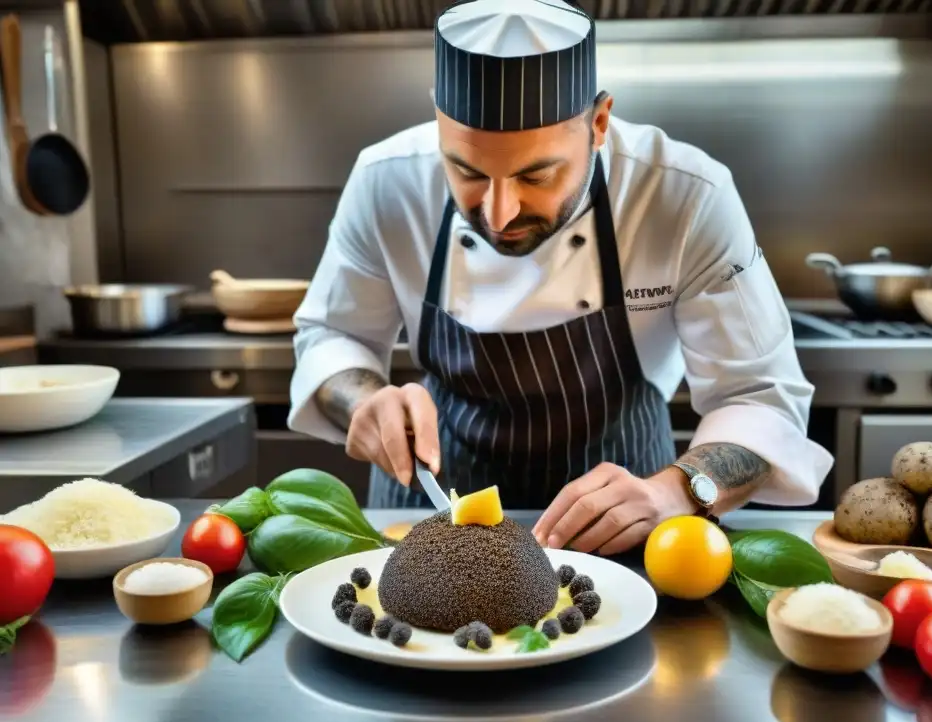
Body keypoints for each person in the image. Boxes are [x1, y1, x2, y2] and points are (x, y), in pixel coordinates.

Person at [288, 0, 833, 554]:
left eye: (537, 174)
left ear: (598, 124)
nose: (498, 214)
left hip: (625, 528)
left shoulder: (686, 195)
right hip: (431, 517)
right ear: (437, 119)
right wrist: (363, 401)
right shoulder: (387, 182)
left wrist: (676, 492)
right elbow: (333, 338)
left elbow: (761, 398)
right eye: (467, 171)